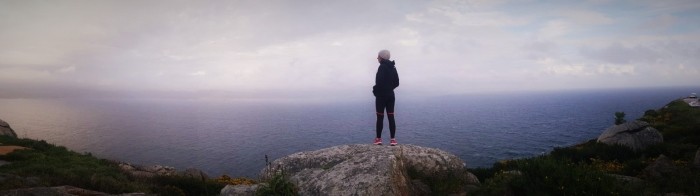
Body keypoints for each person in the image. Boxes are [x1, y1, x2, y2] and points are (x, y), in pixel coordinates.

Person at [372, 49, 400, 146]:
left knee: (380, 117)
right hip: (391, 95)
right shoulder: (393, 67)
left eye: (378, 56)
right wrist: (389, 88)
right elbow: (397, 83)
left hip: (381, 96)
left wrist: (375, 91)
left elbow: (379, 82)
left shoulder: (382, 67)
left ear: (382, 57)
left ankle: (378, 139)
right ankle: (393, 140)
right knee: (391, 116)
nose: (377, 58)